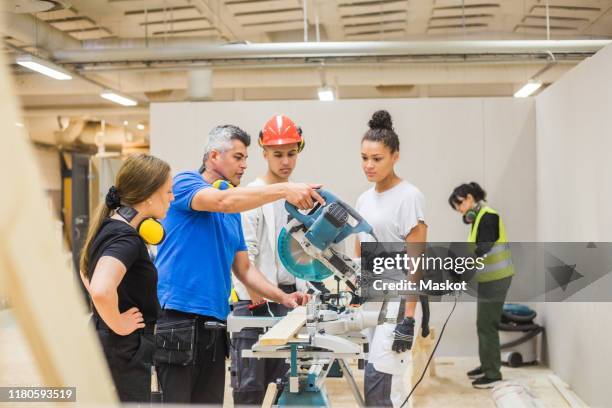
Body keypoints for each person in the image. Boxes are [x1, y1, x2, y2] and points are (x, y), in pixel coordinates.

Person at [153, 124, 323, 404]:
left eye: (246, 158)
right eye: (238, 157)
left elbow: (244, 269)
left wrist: (284, 297)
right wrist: (282, 190)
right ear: (213, 156)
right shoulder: (185, 183)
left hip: (214, 324)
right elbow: (222, 200)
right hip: (178, 319)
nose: (244, 165)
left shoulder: (232, 211)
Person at [79, 154, 173, 402]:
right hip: (124, 347)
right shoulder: (126, 238)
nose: (172, 198)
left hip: (113, 343)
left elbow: (85, 270)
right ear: (149, 195)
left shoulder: (108, 226)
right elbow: (100, 288)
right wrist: (118, 323)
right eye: (168, 192)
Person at [230, 114, 309, 405]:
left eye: (291, 153)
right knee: (250, 393)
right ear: (264, 153)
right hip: (254, 306)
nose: (285, 161)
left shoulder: (298, 195)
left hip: (290, 301)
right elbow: (244, 260)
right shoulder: (251, 195)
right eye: (277, 154)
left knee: (287, 391)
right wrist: (261, 302)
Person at [354, 110, 428, 407]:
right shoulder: (363, 199)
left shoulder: (409, 197)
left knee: (382, 382)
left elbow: (415, 263)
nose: (369, 165)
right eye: (364, 158)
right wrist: (354, 294)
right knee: (385, 381)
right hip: (374, 298)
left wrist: (408, 318)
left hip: (399, 302)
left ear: (395, 156)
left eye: (377, 158)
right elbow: (360, 252)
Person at [449, 182, 514, 389]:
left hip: (496, 279)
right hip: (489, 279)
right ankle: (487, 365)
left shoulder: (487, 216)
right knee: (483, 324)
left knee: (487, 326)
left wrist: (461, 268)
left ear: (469, 198)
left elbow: (483, 248)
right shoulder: (480, 218)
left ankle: (492, 374)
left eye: (459, 204)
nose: (459, 210)